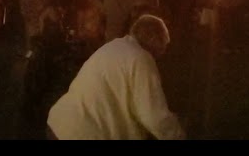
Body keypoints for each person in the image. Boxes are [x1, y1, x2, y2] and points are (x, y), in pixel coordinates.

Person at [45, 13, 185, 140]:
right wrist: (178, 135)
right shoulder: (141, 58)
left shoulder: (114, 46)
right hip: (85, 134)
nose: (159, 57)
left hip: (61, 124)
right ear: (154, 39)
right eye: (161, 49)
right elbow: (154, 116)